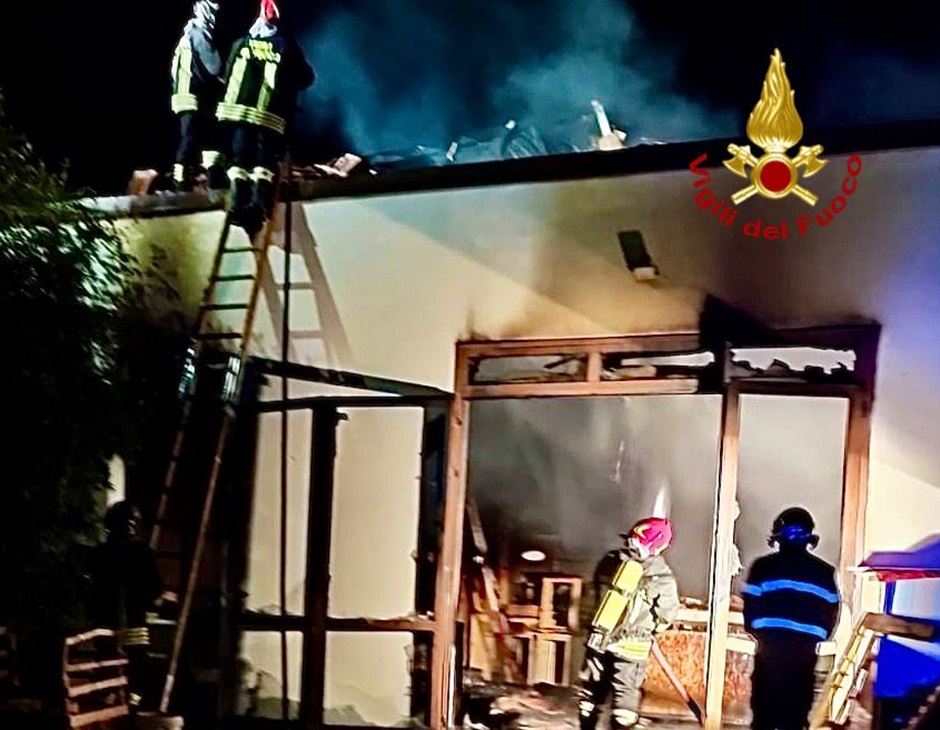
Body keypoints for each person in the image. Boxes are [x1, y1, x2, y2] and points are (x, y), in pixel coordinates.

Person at [216, 0, 315, 235]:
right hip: (268, 116)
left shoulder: (241, 44)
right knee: (263, 165)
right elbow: (306, 78)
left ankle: (237, 205)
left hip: (238, 114)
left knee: (239, 164)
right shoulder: (285, 46)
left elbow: (227, 73)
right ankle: (258, 208)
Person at [740, 507, 840, 730]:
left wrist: (761, 633)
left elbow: (750, 607)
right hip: (804, 651)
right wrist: (814, 636)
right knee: (795, 714)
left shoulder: (763, 567)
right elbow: (831, 613)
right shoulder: (825, 572)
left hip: (770, 648)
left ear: (778, 536)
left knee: (764, 714)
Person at [579, 517, 680, 730]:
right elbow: (666, 614)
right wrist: (653, 628)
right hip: (632, 646)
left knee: (592, 691)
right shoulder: (662, 577)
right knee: (625, 697)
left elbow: (591, 596)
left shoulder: (609, 562)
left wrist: (589, 628)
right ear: (659, 547)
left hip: (599, 640)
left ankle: (587, 724)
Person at [88, 501, 163, 710]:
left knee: (106, 664)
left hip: (105, 622)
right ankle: (131, 704)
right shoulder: (142, 552)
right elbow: (155, 589)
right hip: (133, 621)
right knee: (136, 665)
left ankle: (109, 701)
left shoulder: (100, 553)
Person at [170, 0, 226, 191]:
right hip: (196, 96)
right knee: (204, 137)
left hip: (182, 95)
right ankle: (211, 179)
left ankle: (182, 180)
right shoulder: (200, 35)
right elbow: (214, 67)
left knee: (190, 137)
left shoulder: (186, 35)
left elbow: (174, 69)